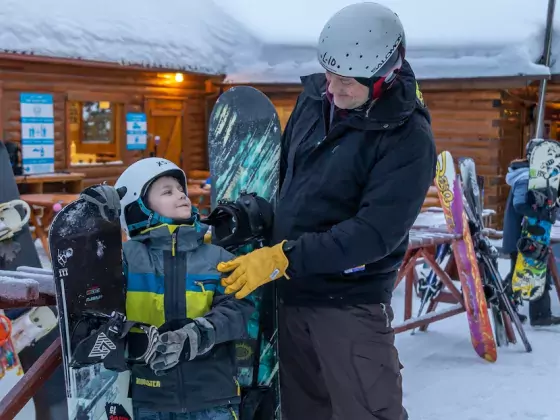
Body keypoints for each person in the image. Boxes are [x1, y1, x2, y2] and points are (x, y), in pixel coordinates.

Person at [216, 3, 436, 419]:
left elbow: (373, 235)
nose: (331, 87)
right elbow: (289, 186)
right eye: (328, 72)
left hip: (347, 305)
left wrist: (284, 257)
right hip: (289, 296)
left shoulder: (407, 138)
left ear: (384, 76)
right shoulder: (315, 98)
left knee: (367, 412)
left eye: (346, 81)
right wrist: (249, 220)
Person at [85, 157, 254, 420]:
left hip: (212, 397)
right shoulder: (125, 259)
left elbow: (238, 308)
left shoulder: (217, 257)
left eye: (180, 189)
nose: (181, 195)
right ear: (137, 208)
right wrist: (93, 225)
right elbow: (99, 301)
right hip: (148, 398)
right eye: (167, 191)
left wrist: (197, 335)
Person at [502, 139, 560, 327]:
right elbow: (520, 204)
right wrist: (541, 214)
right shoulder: (526, 176)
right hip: (521, 235)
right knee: (518, 273)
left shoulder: (536, 176)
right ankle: (503, 306)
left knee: (537, 271)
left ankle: (540, 314)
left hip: (529, 233)